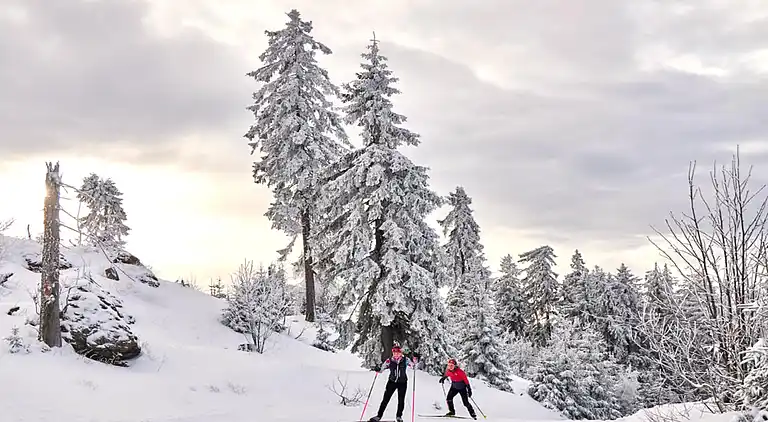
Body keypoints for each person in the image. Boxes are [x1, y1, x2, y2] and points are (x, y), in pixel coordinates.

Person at [369, 345, 415, 422]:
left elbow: (414, 366)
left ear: (401, 353)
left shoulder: (405, 360)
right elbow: (381, 369)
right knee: (385, 399)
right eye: (394, 352)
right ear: (392, 353)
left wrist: (415, 358)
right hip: (392, 382)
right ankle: (379, 416)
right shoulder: (389, 360)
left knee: (401, 400)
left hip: (402, 383)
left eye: (398, 352)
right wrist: (377, 369)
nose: (396, 354)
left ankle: (399, 416)